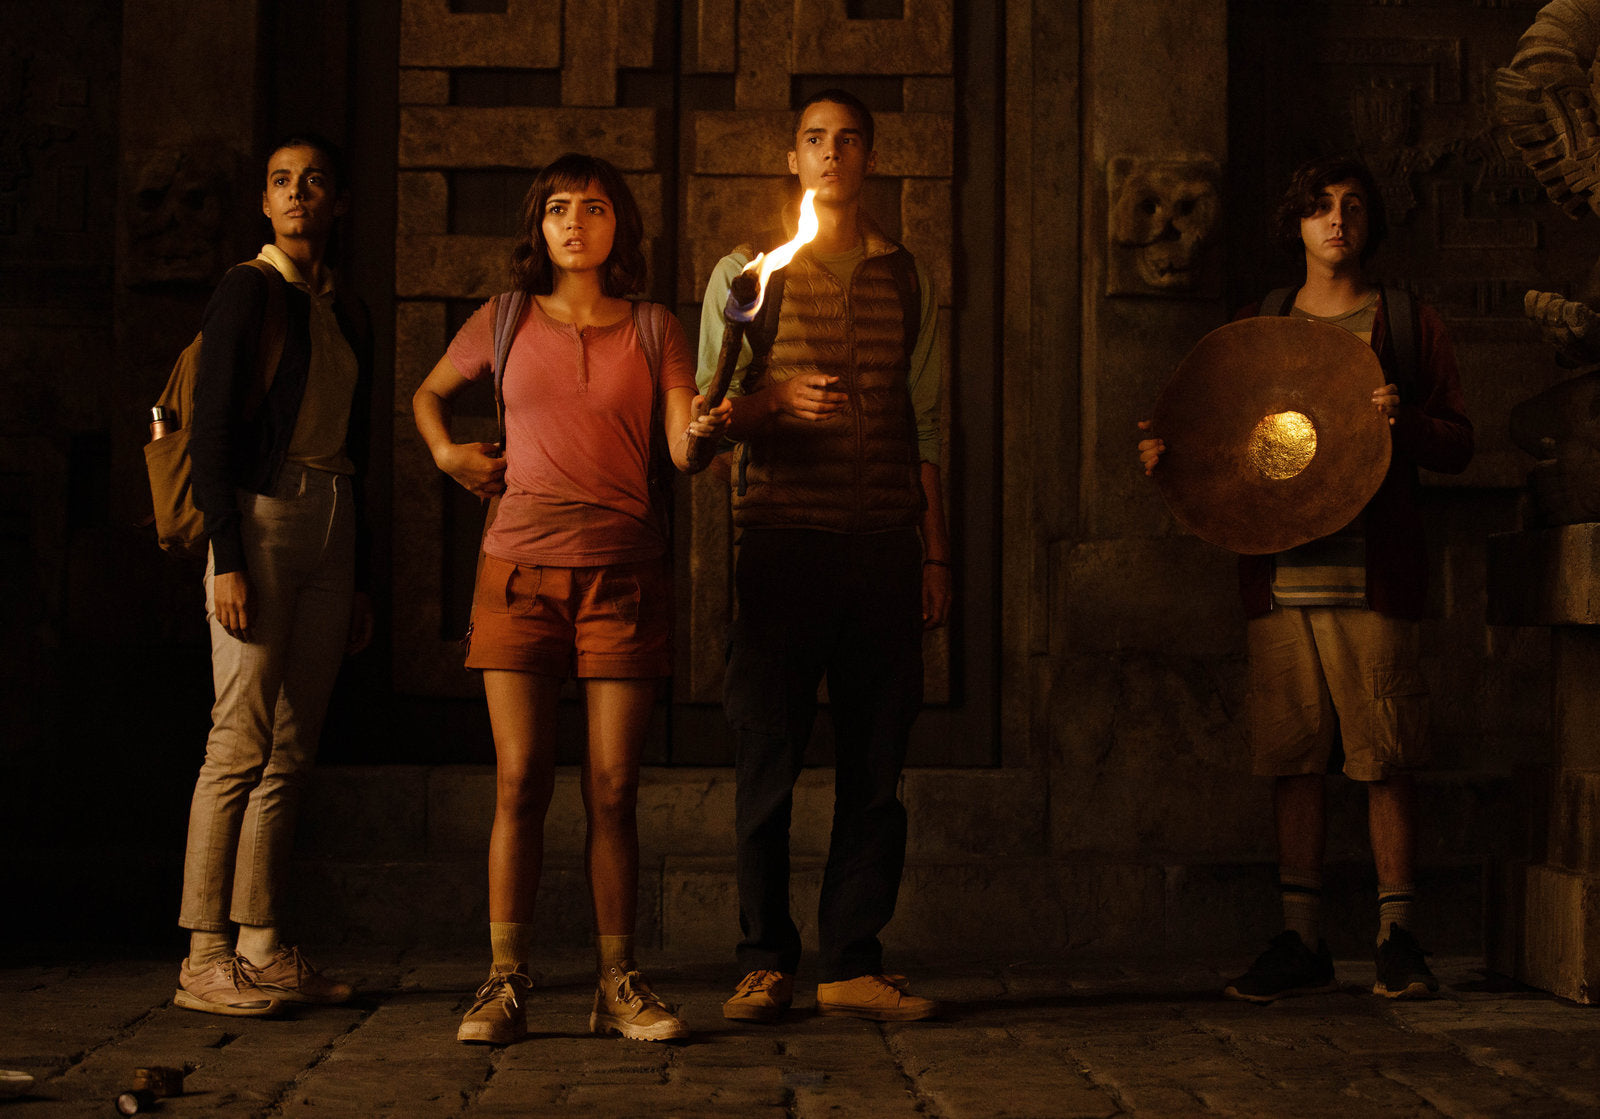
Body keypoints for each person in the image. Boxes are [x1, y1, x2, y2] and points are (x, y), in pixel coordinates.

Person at [413, 153, 730, 1046]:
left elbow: (681, 450)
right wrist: (448, 454)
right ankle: (504, 980)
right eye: (558, 208)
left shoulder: (657, 326)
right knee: (519, 780)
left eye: (593, 207)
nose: (575, 222)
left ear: (618, 224)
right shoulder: (505, 316)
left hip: (622, 575)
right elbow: (429, 394)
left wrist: (705, 431)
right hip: (517, 572)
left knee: (614, 788)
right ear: (539, 225)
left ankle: (616, 982)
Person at [1138, 155, 1473, 1002]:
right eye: (1320, 206)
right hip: (1279, 582)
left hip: (1373, 578)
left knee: (1385, 755)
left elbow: (1459, 442)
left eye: (1353, 206)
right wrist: (1170, 454)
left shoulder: (1406, 321)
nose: (1336, 219)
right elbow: (1224, 437)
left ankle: (1398, 937)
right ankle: (1302, 938)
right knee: (1293, 760)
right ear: (1296, 223)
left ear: (1370, 224)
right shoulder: (1263, 322)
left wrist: (1407, 423)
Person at [698, 89, 952, 1024]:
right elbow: (711, 411)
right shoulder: (748, 273)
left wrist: (935, 556)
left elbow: (928, 423)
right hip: (782, 544)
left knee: (876, 772)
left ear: (869, 157)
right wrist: (774, 402)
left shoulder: (905, 276)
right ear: (793, 159)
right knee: (767, 763)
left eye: (848, 140)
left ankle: (851, 960)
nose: (832, 154)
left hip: (884, 546)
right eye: (815, 139)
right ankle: (764, 960)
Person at [176, 134, 372, 1016]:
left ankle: (259, 944)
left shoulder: (342, 308)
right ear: (265, 202)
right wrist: (226, 555)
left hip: (333, 515)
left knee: (291, 747)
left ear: (339, 202)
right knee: (238, 741)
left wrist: (359, 576)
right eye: (282, 182)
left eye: (314, 181)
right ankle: (204, 954)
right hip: (260, 517)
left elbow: (359, 439)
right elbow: (211, 428)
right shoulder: (247, 289)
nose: (298, 194)